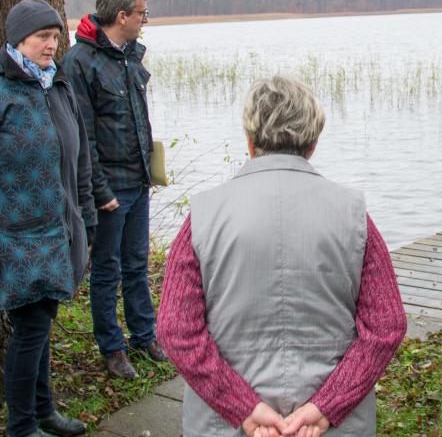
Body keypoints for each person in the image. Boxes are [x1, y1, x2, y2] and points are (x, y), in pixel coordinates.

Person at [157, 76, 407, 437]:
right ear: (313, 144)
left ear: (249, 140)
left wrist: (240, 405)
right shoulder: (354, 215)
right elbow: (387, 325)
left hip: (226, 425)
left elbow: (175, 329)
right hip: (331, 425)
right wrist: (326, 406)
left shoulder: (203, 216)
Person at [0, 0, 96, 437]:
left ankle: (43, 411)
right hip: (14, 234)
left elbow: (79, 159)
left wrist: (87, 217)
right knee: (31, 329)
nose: (51, 45)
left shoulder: (58, 86)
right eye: (42, 37)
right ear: (17, 37)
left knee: (42, 325)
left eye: (56, 37)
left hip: (60, 230)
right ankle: (22, 425)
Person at [62, 0, 163, 379]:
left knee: (136, 263)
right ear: (122, 16)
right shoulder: (80, 62)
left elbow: (136, 122)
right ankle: (112, 347)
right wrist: (99, 191)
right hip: (109, 190)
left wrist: (149, 172)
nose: (145, 21)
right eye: (142, 14)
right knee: (107, 269)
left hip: (138, 182)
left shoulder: (128, 58)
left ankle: (144, 335)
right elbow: (81, 136)